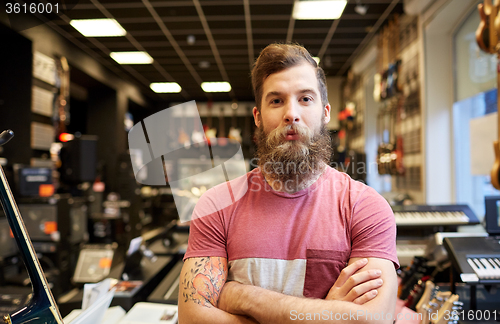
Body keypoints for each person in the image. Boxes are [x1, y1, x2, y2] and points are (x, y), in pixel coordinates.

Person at [178, 43, 399, 324]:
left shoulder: (365, 207)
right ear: (258, 117)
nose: (291, 114)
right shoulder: (216, 205)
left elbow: (373, 320)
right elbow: (193, 319)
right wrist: (327, 315)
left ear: (325, 112)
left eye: (305, 99)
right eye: (276, 101)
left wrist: (243, 297)